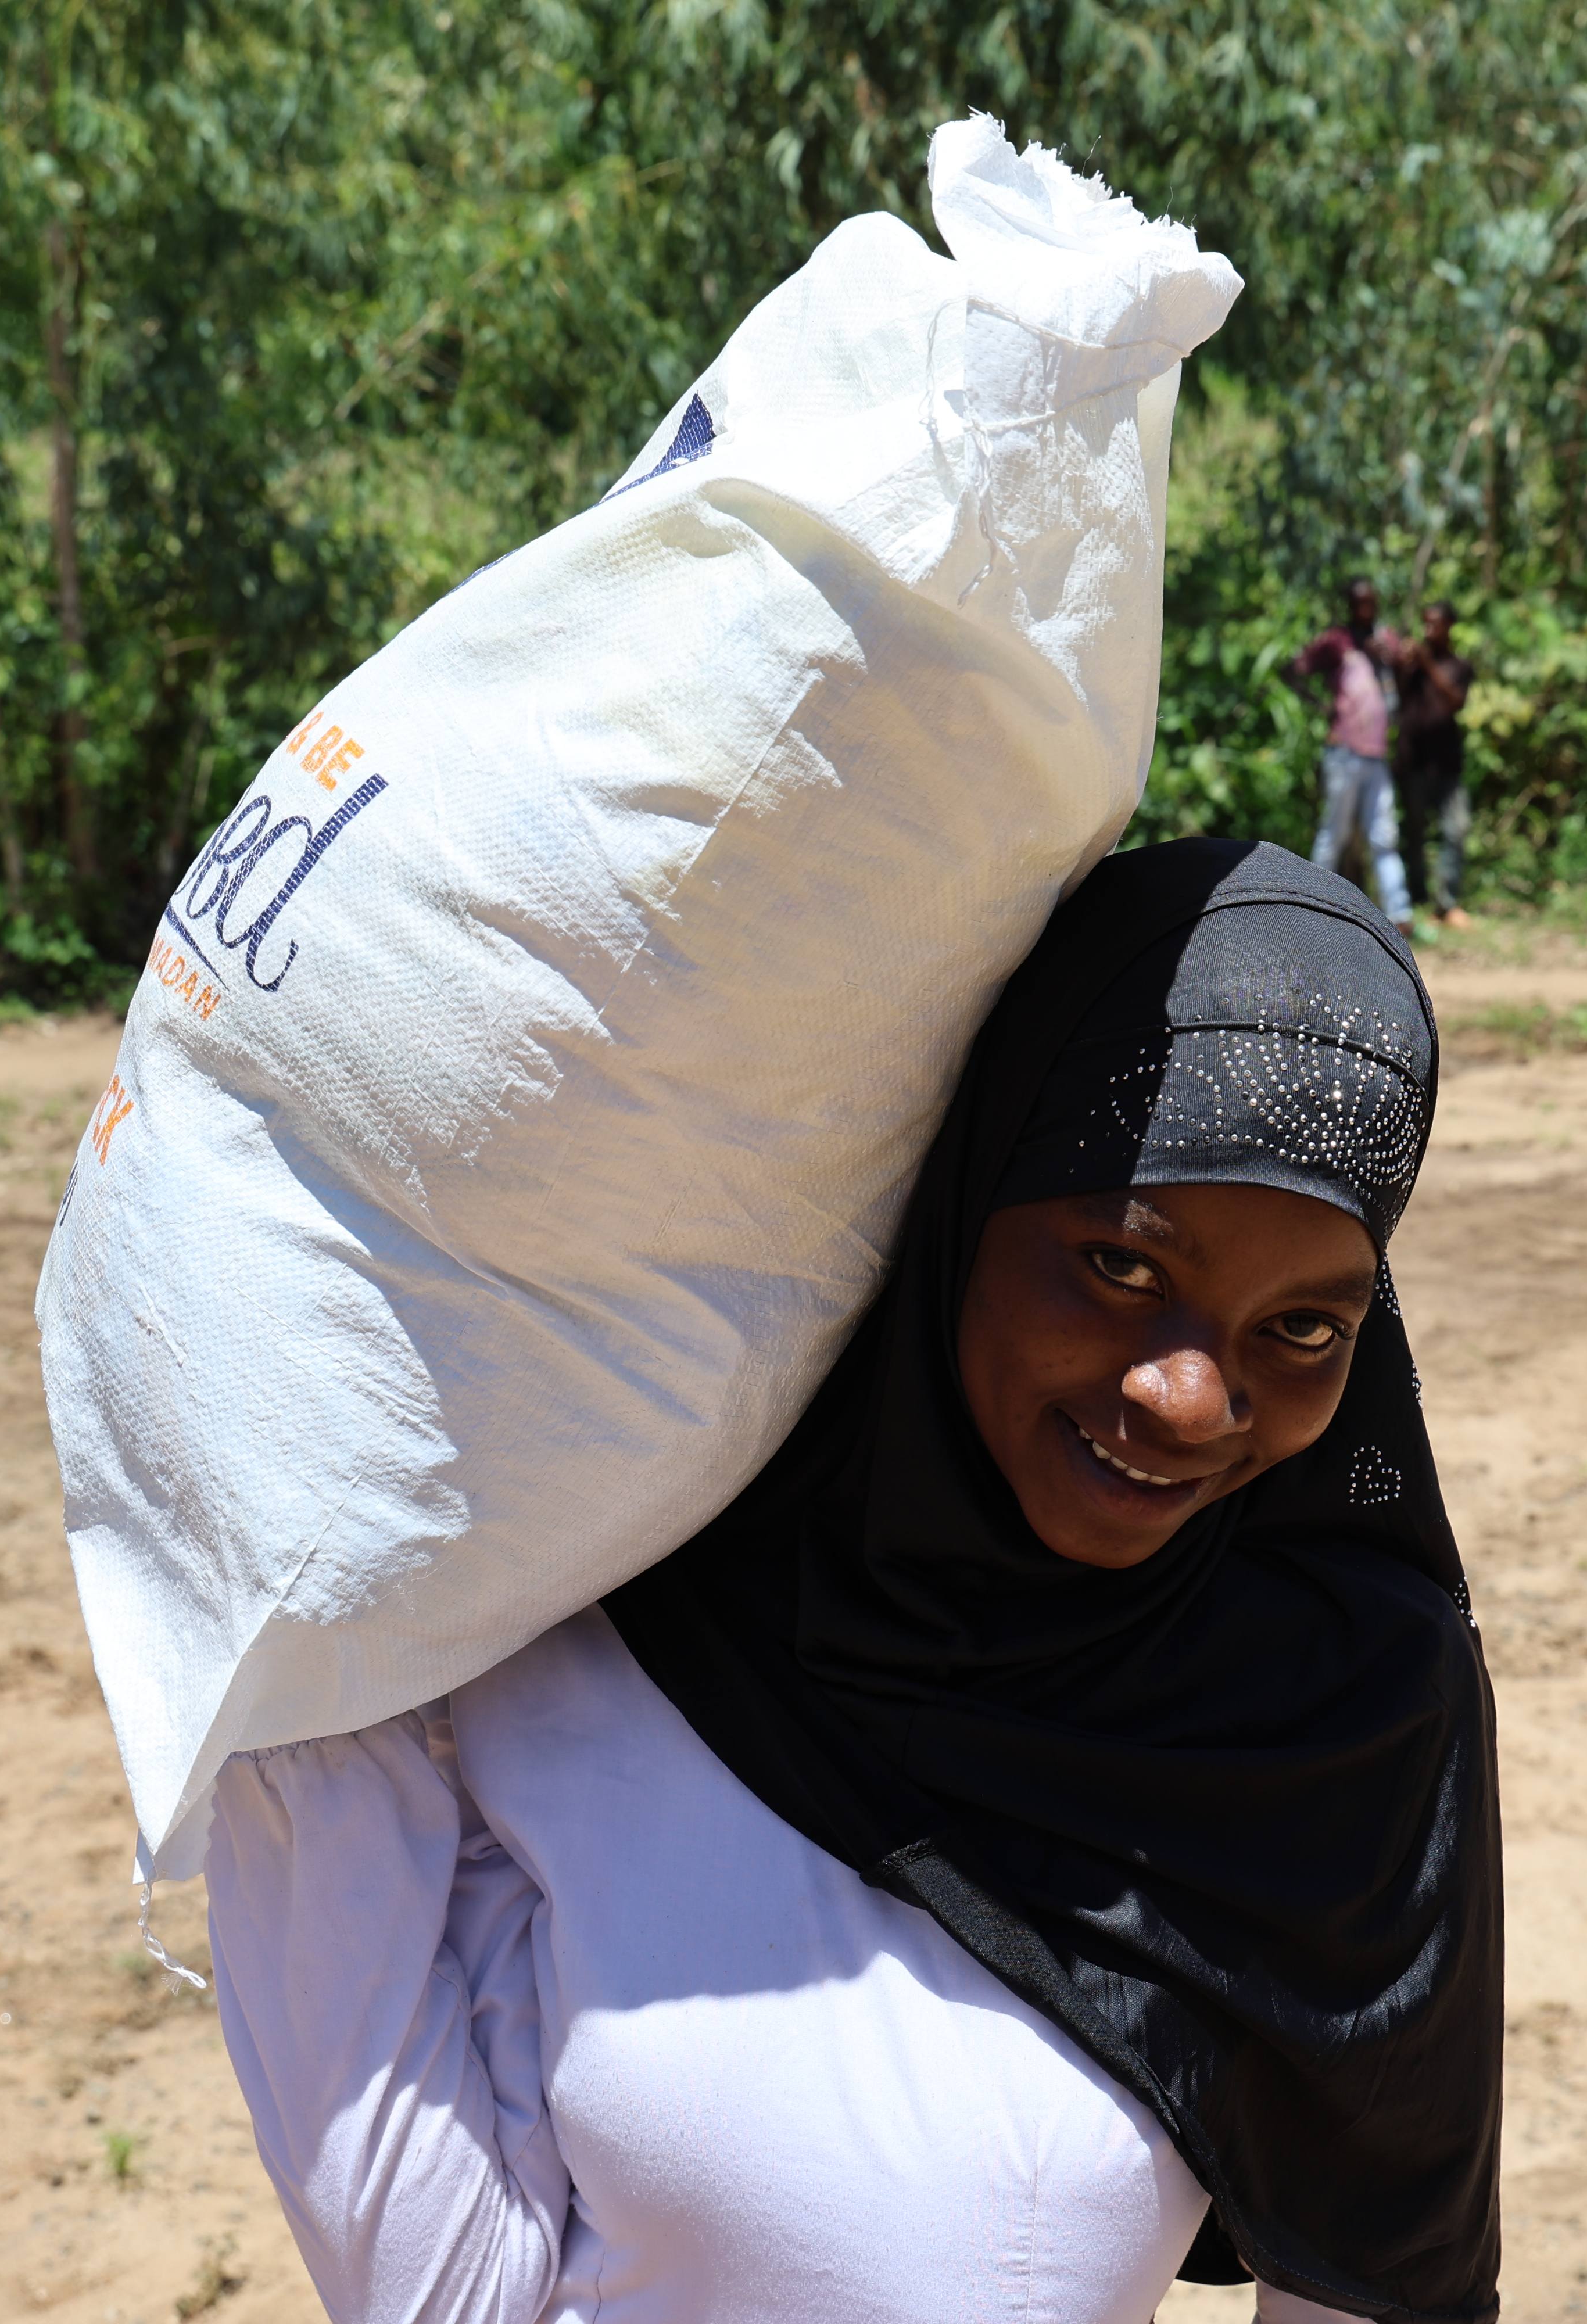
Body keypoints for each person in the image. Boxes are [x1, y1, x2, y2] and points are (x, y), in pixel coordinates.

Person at [205, 838, 1505, 2324]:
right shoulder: (616, 1606)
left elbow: (1387, 2279)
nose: (1193, 1400)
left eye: (1306, 1330)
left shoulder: (1340, 1720)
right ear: (969, 1195)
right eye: (1120, 1265)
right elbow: (441, 2282)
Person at [1283, 581, 1416, 939]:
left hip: (1377, 756)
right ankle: (1311, 908)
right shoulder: (1337, 642)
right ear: (1351, 605)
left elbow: (1406, 683)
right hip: (1344, 752)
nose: (1366, 609)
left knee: (1384, 836)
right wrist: (1323, 706)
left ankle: (1400, 913)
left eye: (1371, 602)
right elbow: (1291, 670)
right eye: (1360, 603)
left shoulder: (1386, 641)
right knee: (1334, 833)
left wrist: (1392, 660)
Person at [1391, 603, 1475, 924]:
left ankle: (1447, 901)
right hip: (1413, 762)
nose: (1428, 631)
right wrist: (1402, 665)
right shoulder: (1411, 667)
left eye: (1435, 624)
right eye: (1425, 624)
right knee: (1414, 832)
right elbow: (1396, 698)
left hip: (1448, 764)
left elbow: (1455, 702)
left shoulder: (1459, 666)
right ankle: (1418, 897)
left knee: (1457, 828)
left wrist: (1426, 664)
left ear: (1449, 626)